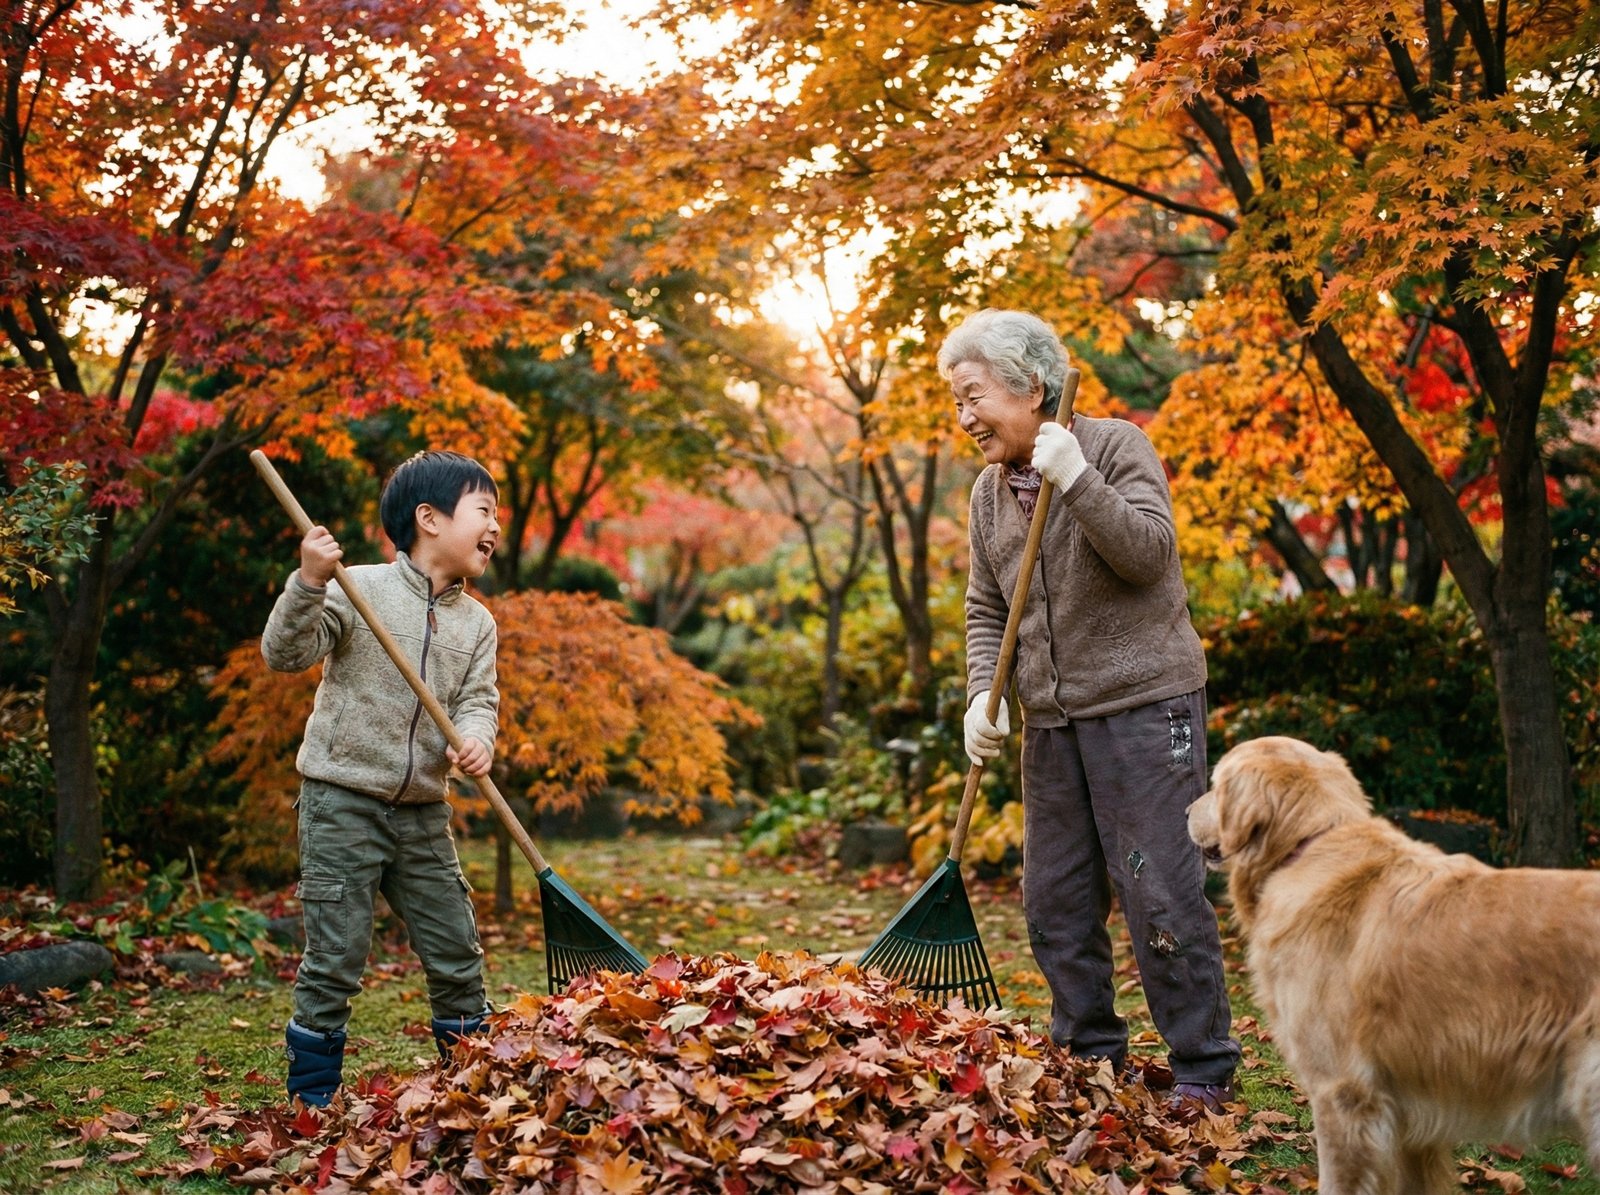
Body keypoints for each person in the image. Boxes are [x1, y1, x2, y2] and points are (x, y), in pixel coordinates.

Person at [942, 308, 1240, 1113]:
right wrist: (982, 692)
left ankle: (1203, 1067)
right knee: (1055, 898)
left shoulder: (1112, 447)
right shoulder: (987, 492)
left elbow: (1148, 556)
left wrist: (1077, 478)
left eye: (973, 396)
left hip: (1144, 707)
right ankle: (1088, 1056)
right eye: (955, 402)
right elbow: (984, 606)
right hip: (1054, 723)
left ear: (1032, 385)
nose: (963, 417)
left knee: (1161, 893)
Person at [261, 450, 502, 1107]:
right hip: (342, 798)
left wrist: (477, 736)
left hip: (423, 809)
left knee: (456, 950)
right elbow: (284, 653)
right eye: (484, 509)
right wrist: (308, 583)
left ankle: (472, 1089)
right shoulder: (355, 586)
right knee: (336, 957)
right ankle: (311, 1100)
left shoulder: (477, 624)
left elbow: (478, 700)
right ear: (429, 517)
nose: (495, 526)